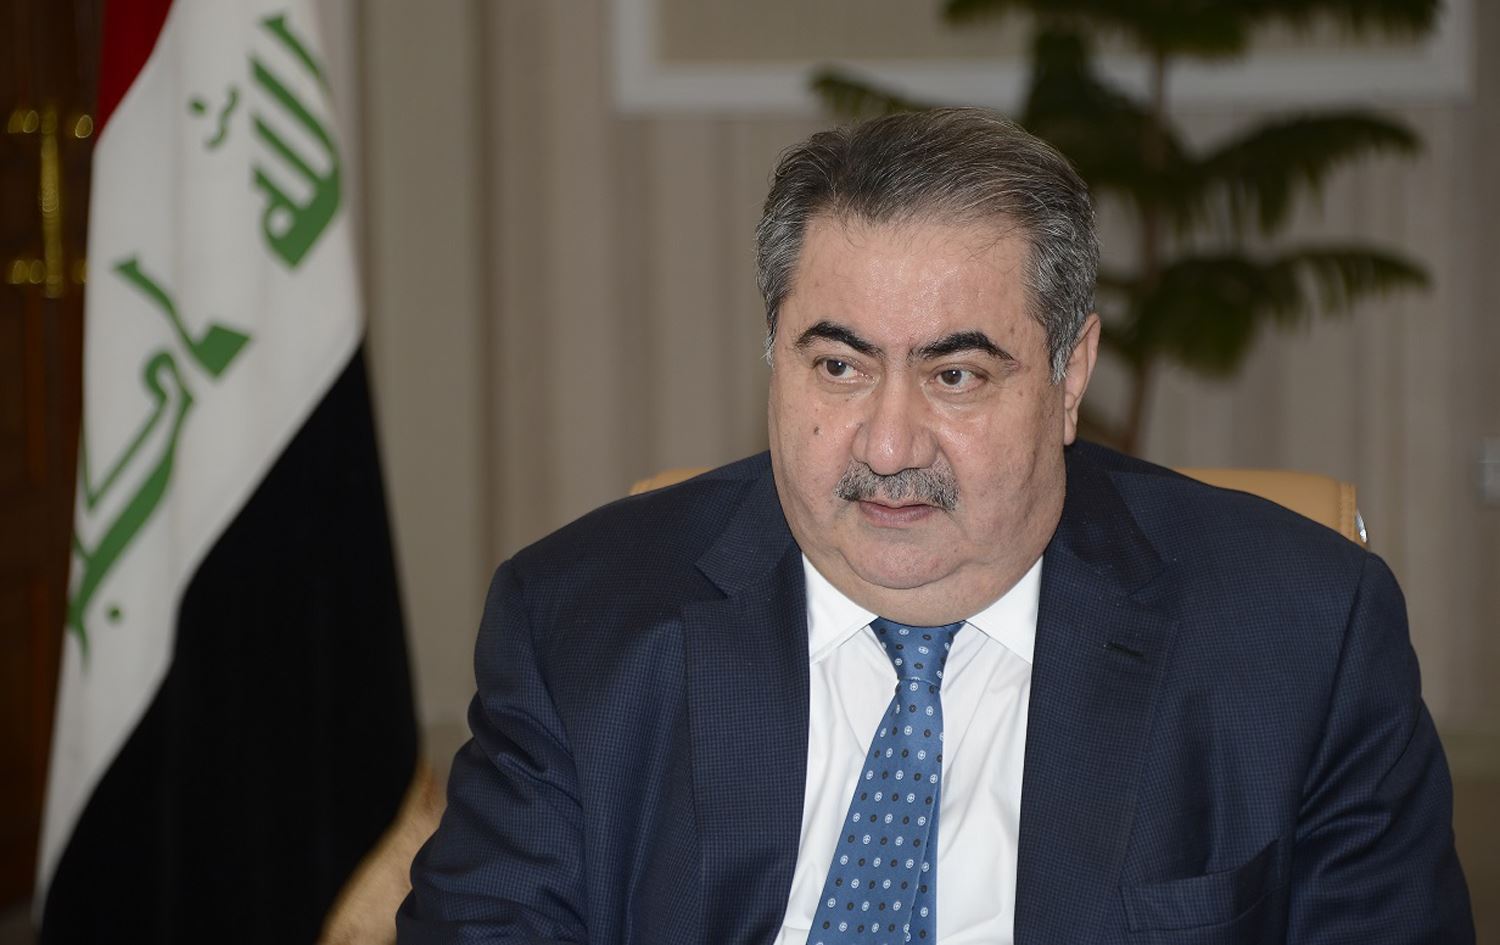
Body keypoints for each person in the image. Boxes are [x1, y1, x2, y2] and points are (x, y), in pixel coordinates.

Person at [396, 109, 1473, 944]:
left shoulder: (1298, 641)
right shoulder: (579, 626)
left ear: (1070, 375)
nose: (888, 443)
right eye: (839, 366)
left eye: (956, 375)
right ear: (774, 357)